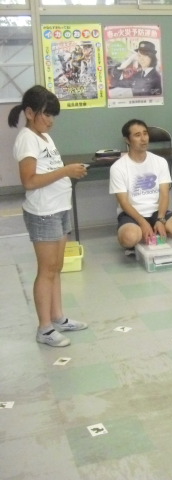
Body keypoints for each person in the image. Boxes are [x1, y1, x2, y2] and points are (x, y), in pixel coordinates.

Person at [9, 85, 89, 347]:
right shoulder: (27, 139)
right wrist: (66, 171)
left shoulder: (43, 136)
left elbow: (48, 169)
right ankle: (44, 328)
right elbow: (29, 181)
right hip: (43, 213)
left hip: (59, 208)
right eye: (46, 114)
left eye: (53, 115)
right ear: (29, 113)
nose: (51, 120)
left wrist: (68, 172)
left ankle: (58, 317)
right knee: (46, 270)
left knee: (56, 267)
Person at [109, 119, 172, 254]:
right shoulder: (118, 167)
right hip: (132, 214)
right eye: (137, 135)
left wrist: (161, 219)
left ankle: (153, 233)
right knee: (128, 238)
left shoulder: (160, 161)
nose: (143, 139)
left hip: (156, 212)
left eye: (145, 133)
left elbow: (164, 194)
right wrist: (142, 222)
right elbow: (123, 202)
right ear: (127, 140)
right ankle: (143, 235)